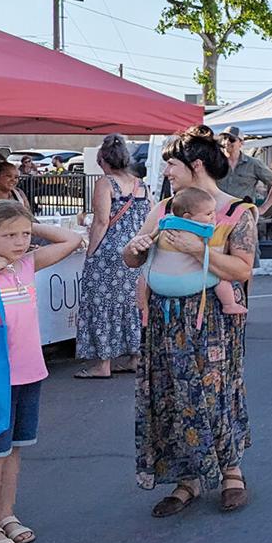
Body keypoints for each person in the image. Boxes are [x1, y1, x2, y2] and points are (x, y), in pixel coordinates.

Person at [124, 125, 258, 516]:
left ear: (195, 165)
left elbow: (242, 269)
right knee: (172, 396)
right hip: (166, 321)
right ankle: (188, 479)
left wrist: (201, 250)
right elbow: (133, 259)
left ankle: (231, 471)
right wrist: (134, 249)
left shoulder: (236, 212)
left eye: (171, 164)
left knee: (215, 394)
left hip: (212, 320)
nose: (166, 172)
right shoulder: (163, 209)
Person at [0, 201, 82, 543]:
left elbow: (70, 240)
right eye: (9, 235)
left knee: (13, 450)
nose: (20, 241)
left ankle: (5, 513)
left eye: (24, 233)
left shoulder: (27, 263)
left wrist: (29, 226)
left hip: (28, 372)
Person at [75, 134, 152, 379]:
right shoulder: (141, 184)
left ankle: (103, 364)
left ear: (102, 160)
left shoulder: (105, 183)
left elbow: (101, 221)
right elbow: (149, 215)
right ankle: (134, 357)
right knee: (132, 304)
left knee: (101, 304)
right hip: (136, 250)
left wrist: (91, 253)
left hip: (110, 253)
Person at [136, 186, 249, 326]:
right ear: (188, 217)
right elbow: (210, 236)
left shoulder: (166, 220)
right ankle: (229, 304)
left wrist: (148, 239)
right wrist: (213, 225)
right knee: (221, 279)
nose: (213, 216)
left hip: (158, 281)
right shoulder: (201, 228)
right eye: (208, 214)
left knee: (143, 276)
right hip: (190, 281)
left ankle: (142, 307)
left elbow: (153, 234)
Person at [217, 126, 272, 219]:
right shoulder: (215, 163)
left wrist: (264, 208)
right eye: (224, 139)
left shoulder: (253, 164)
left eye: (231, 139)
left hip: (243, 215)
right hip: (218, 214)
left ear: (241, 143)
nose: (226, 142)